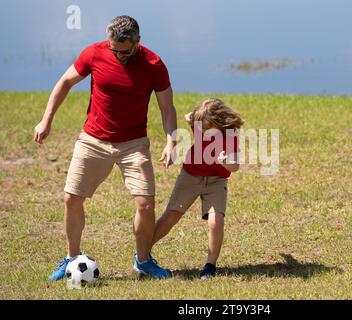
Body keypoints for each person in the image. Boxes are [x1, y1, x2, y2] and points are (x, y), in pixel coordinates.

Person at [33, 16, 177, 280]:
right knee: (71, 198)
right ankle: (71, 258)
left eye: (125, 51)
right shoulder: (94, 53)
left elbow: (167, 108)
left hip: (133, 144)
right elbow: (65, 82)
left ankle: (143, 261)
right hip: (93, 140)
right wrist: (46, 120)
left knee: (145, 205)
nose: (120, 56)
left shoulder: (153, 64)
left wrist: (171, 140)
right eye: (115, 50)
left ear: (138, 42)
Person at [149, 98, 243, 279]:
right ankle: (143, 253)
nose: (203, 131)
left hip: (217, 180)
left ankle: (210, 266)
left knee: (216, 221)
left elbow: (236, 166)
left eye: (207, 127)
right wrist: (197, 114)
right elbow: (188, 116)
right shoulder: (199, 123)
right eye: (201, 126)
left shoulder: (231, 134)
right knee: (171, 215)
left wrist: (226, 162)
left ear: (218, 122)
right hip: (190, 176)